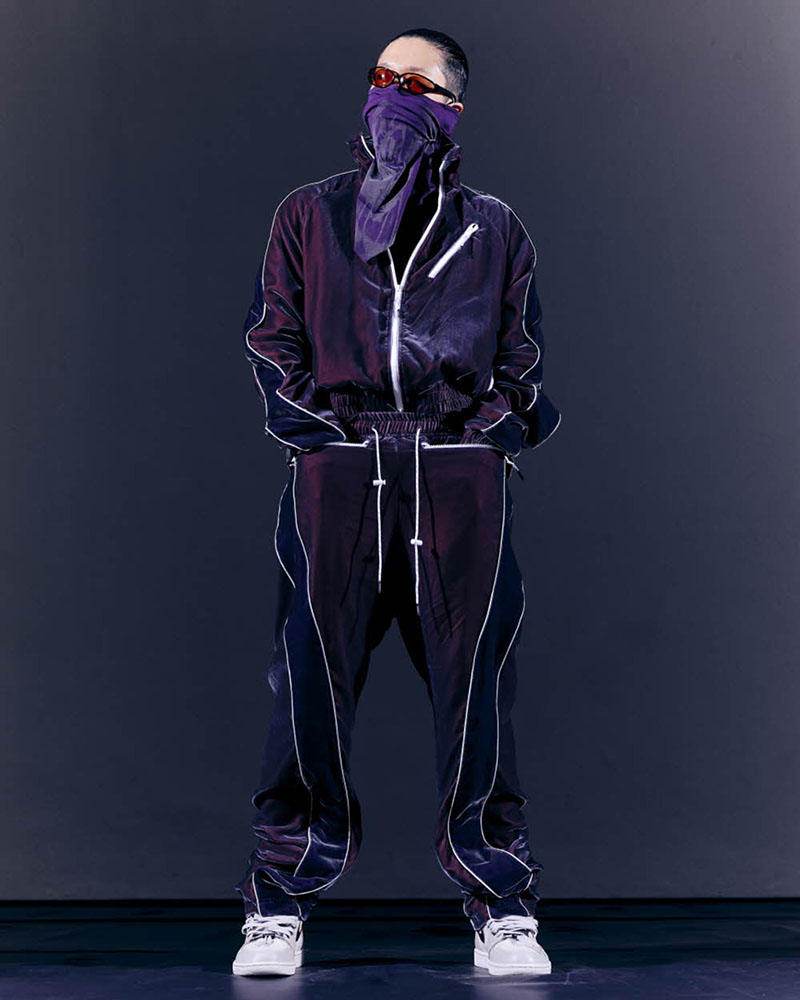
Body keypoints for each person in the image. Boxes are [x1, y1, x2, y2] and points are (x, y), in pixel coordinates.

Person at [231, 27, 561, 978]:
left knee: (477, 696)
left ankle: (502, 905)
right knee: (306, 691)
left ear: (451, 107)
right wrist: (319, 436)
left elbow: (524, 362)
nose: (390, 98)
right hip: (339, 474)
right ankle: (277, 903)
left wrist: (479, 441)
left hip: (456, 481)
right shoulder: (310, 215)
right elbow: (272, 337)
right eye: (379, 78)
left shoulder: (492, 228)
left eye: (412, 83)